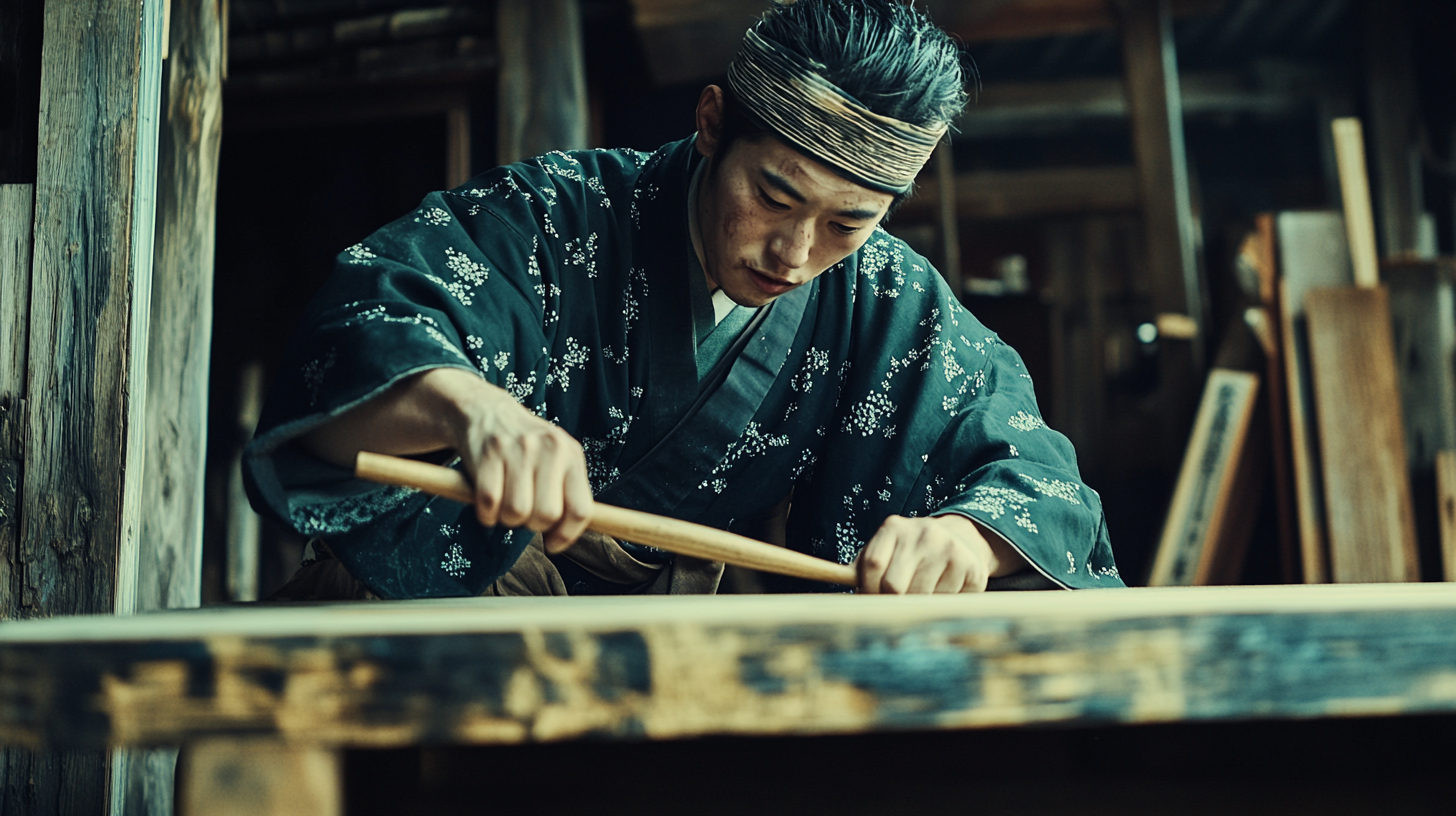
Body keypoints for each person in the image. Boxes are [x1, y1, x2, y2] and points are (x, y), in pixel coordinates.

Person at [243, 0, 1123, 599]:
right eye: (774, 197)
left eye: (847, 223)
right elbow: (362, 339)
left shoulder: (889, 299)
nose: (795, 252)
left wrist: (967, 539)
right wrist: (473, 413)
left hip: (676, 635)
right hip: (470, 598)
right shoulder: (558, 216)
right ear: (711, 124)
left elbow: (1040, 479)